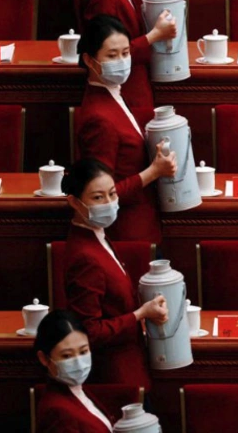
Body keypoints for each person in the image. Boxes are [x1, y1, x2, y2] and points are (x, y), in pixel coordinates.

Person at [62, 158, 169, 390]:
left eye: (112, 194)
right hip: (115, 374)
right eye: (98, 197)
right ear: (74, 202)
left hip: (130, 362)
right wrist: (140, 314)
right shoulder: (85, 257)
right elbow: (89, 331)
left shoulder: (96, 235)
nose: (109, 203)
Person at [75, 14, 176, 243]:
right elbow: (100, 196)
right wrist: (154, 171)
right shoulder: (99, 119)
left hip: (142, 222)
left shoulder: (113, 95)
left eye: (126, 53)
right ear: (90, 60)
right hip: (127, 232)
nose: (121, 61)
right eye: (112, 55)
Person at [34, 310, 115, 432]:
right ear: (44, 359)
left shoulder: (78, 390)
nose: (78, 363)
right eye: (67, 356)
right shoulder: (57, 413)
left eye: (83, 352)